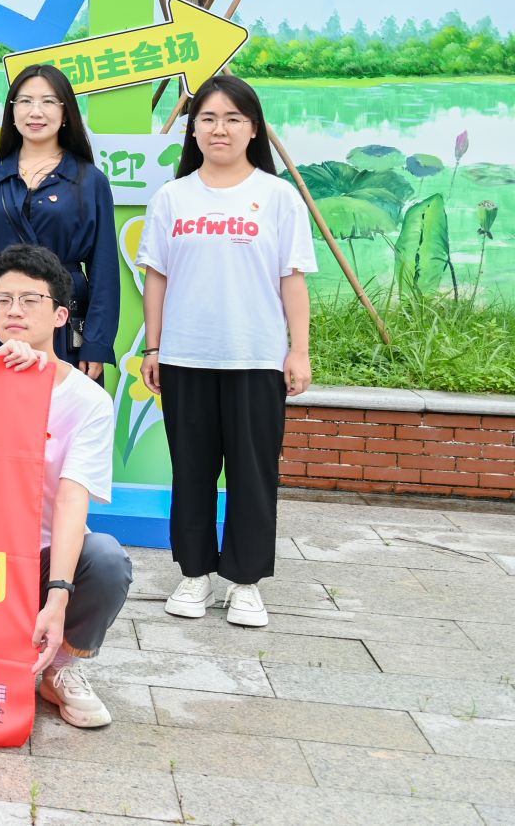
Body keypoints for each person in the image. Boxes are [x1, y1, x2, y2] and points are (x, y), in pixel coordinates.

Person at [140, 74, 315, 630]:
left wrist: (299, 351)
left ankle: (245, 582)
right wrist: (153, 346)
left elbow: (292, 279)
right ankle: (194, 574)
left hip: (256, 358)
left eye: (233, 119)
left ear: (253, 129)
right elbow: (156, 277)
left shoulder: (278, 196)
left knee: (252, 474)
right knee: (191, 471)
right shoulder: (173, 196)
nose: (220, 129)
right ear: (193, 129)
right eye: (209, 119)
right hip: (186, 357)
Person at [0, 242, 131, 730]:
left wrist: (57, 598)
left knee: (105, 559)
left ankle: (60, 669)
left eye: (29, 300)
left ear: (60, 315)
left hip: (37, 559)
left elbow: (72, 501)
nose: (14, 310)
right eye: (3, 300)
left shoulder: (89, 401)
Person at [0, 64, 120, 377]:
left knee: (62, 405)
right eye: (25, 101)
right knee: (2, 405)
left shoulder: (90, 181)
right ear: (12, 111)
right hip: (2, 319)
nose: (35, 111)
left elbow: (104, 270)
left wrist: (96, 344)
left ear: (65, 112)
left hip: (64, 318)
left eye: (48, 101)